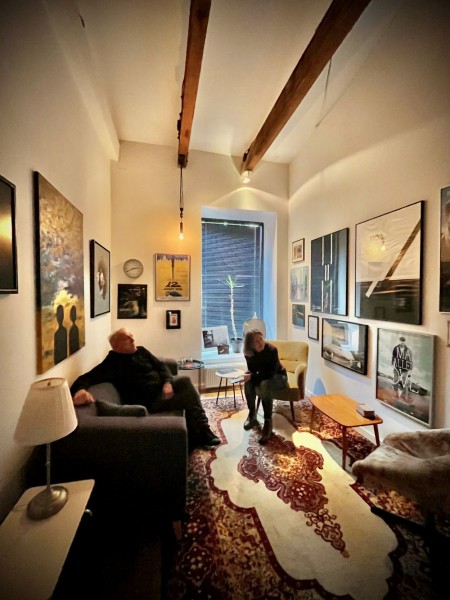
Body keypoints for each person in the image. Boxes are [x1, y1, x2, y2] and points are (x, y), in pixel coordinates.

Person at [71, 328, 220, 449]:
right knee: (189, 397)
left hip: (162, 390)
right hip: (151, 401)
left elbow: (161, 366)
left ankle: (201, 430)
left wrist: (167, 382)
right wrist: (80, 390)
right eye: (127, 338)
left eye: (131, 336)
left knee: (186, 382)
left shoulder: (141, 351)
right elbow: (85, 378)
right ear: (116, 346)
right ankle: (203, 432)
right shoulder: (111, 363)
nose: (132, 339)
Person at [242, 330, 289, 444]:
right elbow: (252, 370)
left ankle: (268, 421)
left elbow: (270, 373)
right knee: (248, 383)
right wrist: (248, 375)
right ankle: (252, 414)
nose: (260, 342)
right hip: (264, 376)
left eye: (261, 339)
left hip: (279, 377)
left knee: (264, 384)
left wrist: (253, 376)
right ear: (251, 345)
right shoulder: (248, 353)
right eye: (256, 341)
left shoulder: (272, 350)